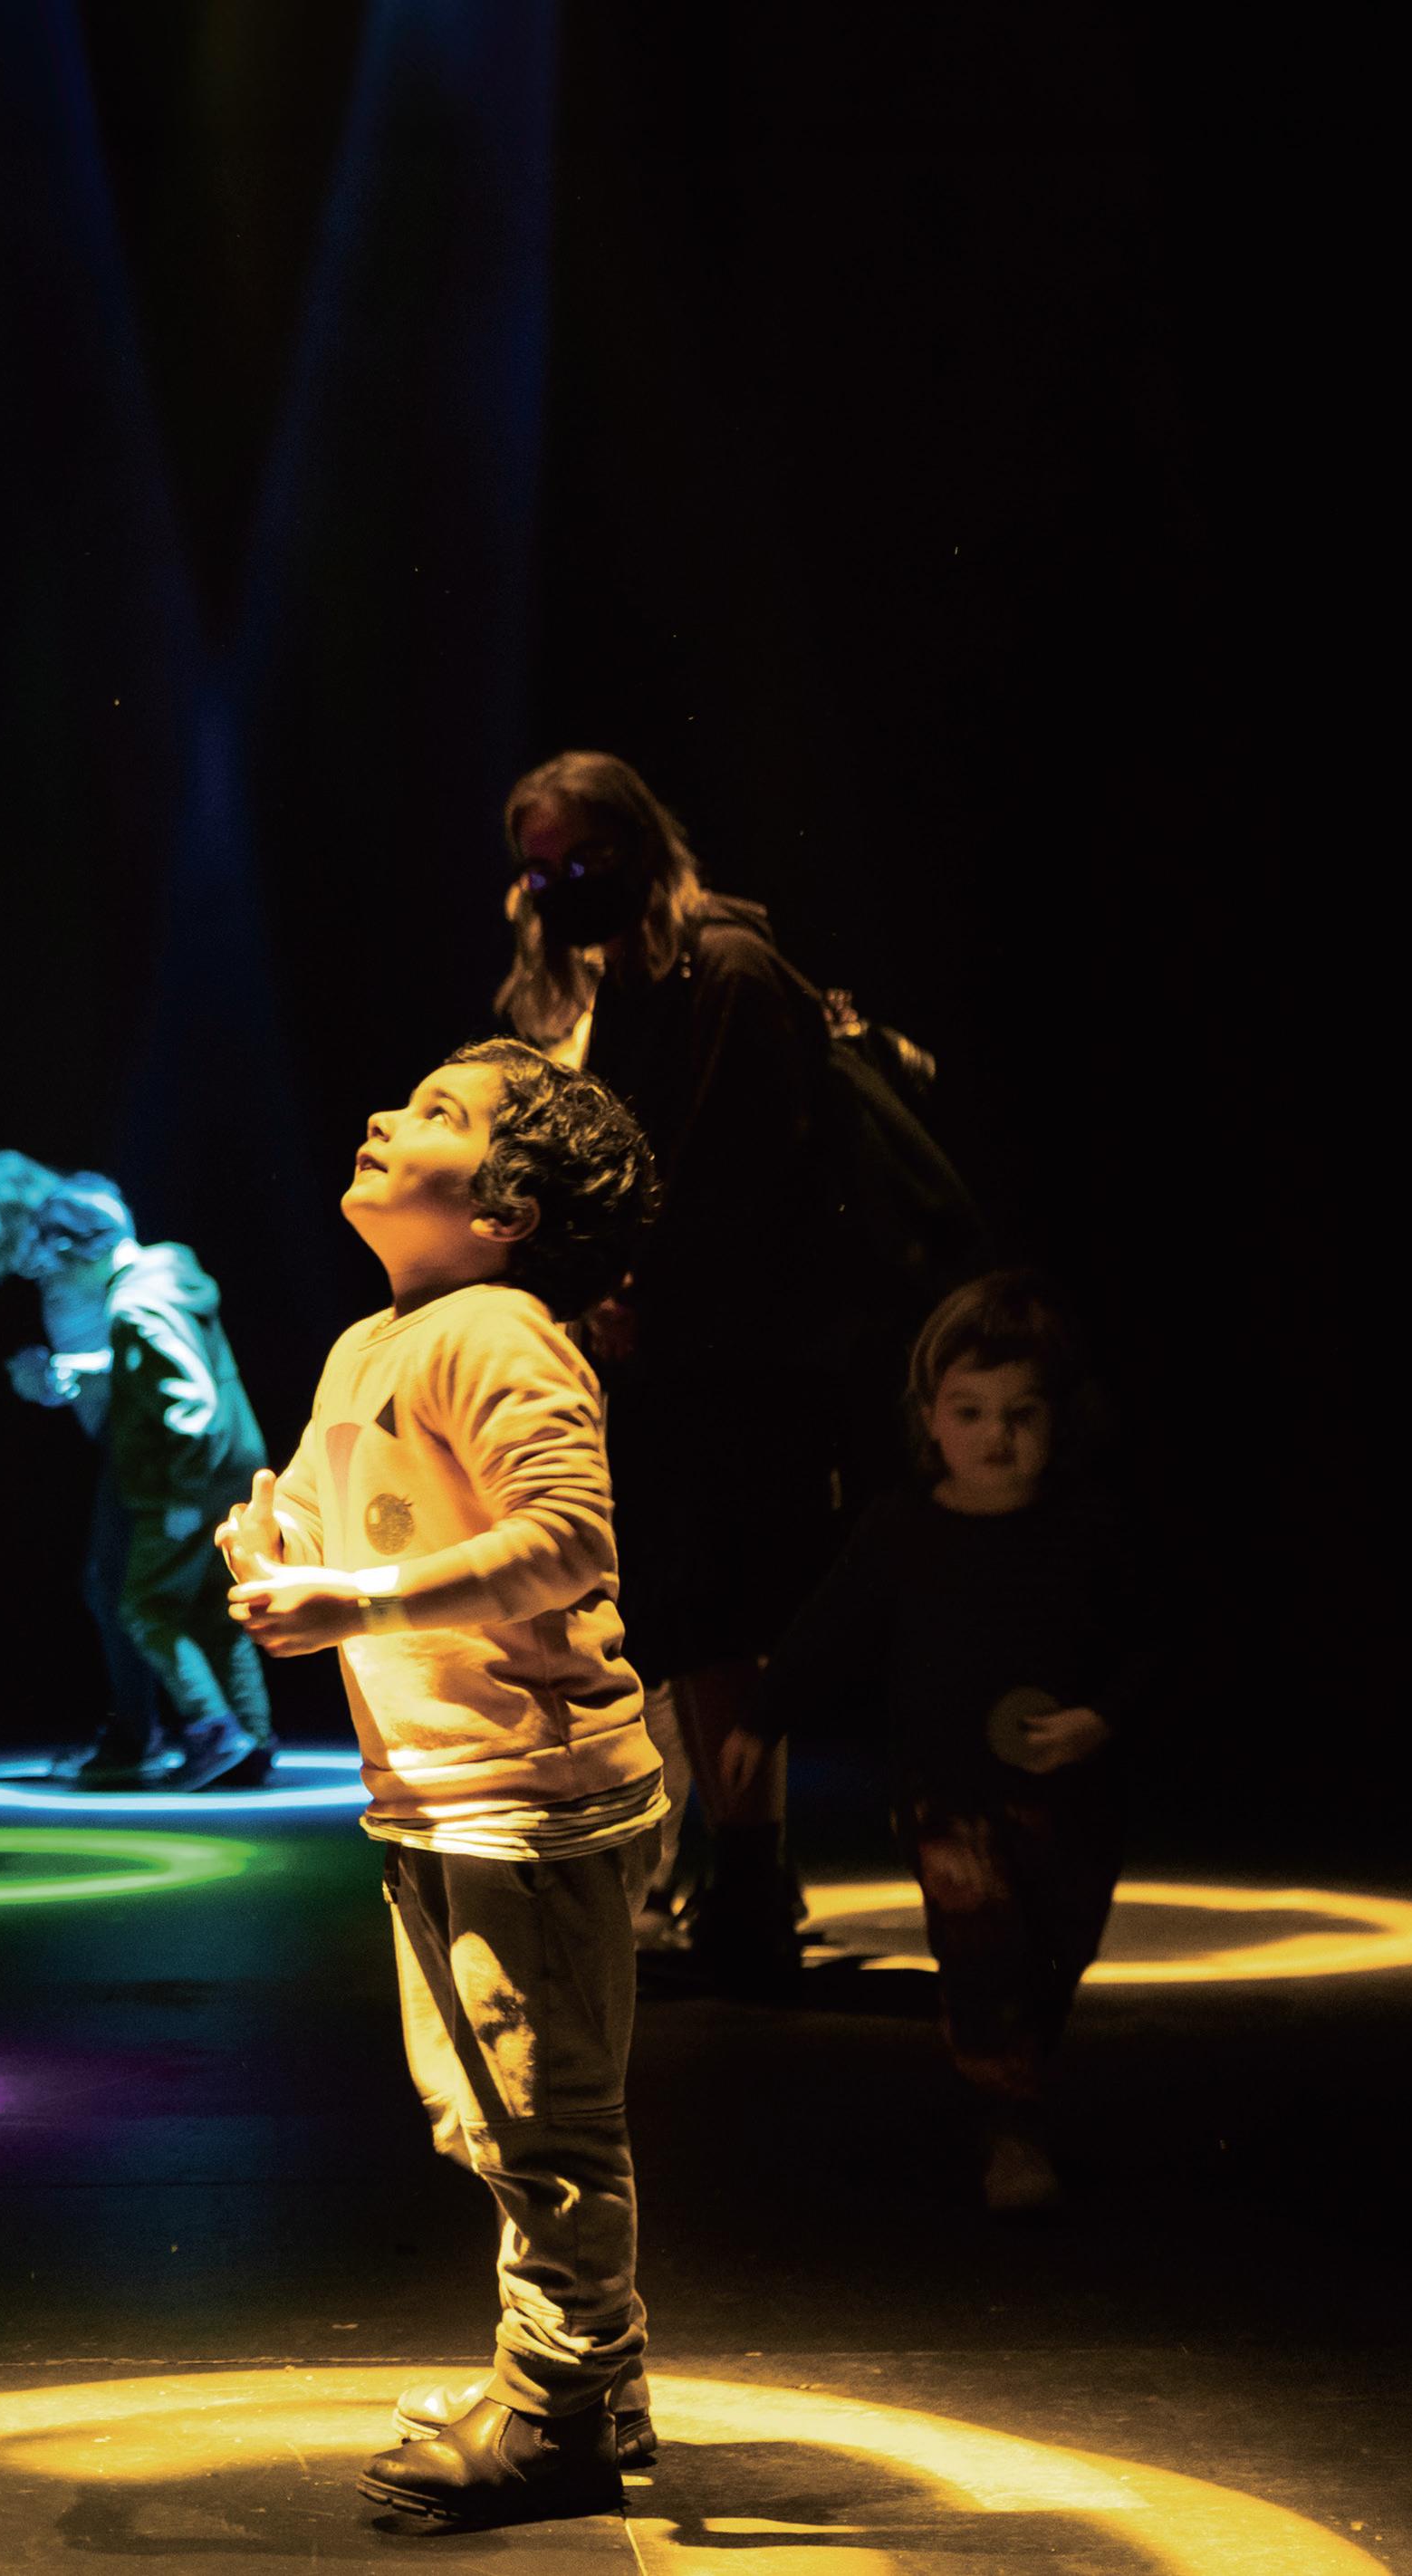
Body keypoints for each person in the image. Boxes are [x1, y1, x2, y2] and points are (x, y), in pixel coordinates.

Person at [218, 1037, 665, 2531]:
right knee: (480, 2104)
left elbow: (568, 1537)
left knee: (538, 2116)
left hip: (532, 1793)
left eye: (436, 1112)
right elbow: (333, 1519)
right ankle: (591, 2382)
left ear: (505, 1209)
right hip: (442, 1791)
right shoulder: (372, 1342)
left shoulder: (501, 1332)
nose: (380, 1114)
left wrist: (358, 1597)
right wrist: (278, 1555)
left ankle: (556, 2415)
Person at [497, 750, 844, 1990]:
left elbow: (744, 1179)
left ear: (640, 845)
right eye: (539, 871)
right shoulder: (627, 979)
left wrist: (644, 1294)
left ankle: (751, 1875)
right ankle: (737, 1872)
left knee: (728, 1616)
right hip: (664, 1355)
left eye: (582, 860)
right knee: (695, 1623)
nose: (560, 889)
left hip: (737, 1361)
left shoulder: (722, 968)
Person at [723, 1271, 1157, 2213]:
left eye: (1020, 1414)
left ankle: (1008, 2084)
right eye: (970, 1412)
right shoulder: (902, 1529)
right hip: (946, 1793)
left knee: (1056, 1949)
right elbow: (828, 1626)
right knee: (979, 1950)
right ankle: (1009, 2127)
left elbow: (1150, 1643)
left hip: (1073, 1800)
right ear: (929, 1418)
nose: (996, 1436)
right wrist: (761, 1715)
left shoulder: (1088, 1527)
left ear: (1060, 1417)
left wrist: (1101, 1719)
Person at [16, 1173, 276, 1790]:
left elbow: (192, 1406)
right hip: (231, 1471)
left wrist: (182, 1496)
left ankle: (215, 1732)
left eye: (59, 1265)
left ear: (82, 1251)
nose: (58, 1282)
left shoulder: (133, 1304)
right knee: (213, 1612)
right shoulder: (168, 1277)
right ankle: (253, 1741)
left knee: (146, 1607)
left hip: (182, 1484)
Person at [0, 1152, 169, 1781]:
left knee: (119, 1582)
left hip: (146, 1429)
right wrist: (50, 1381)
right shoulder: (54, 1247)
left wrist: (70, 1372)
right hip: (121, 1429)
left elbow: (147, 1327)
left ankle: (153, 1735)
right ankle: (149, 1730)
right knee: (115, 1582)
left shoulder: (82, 1216)